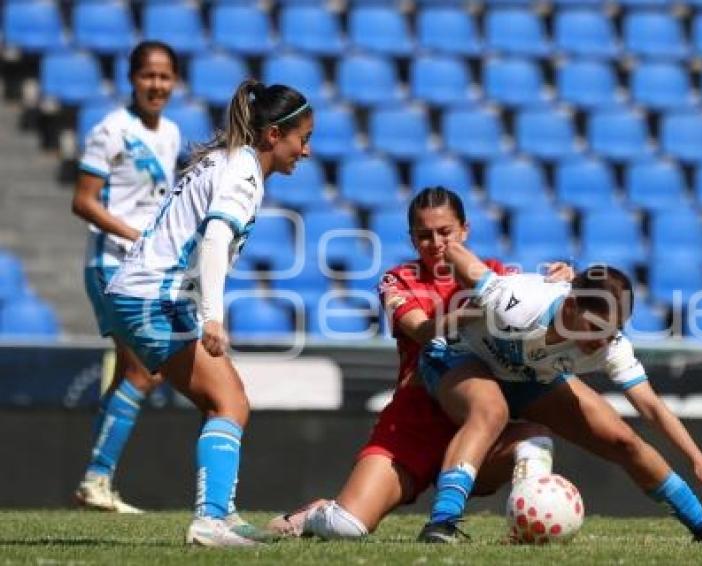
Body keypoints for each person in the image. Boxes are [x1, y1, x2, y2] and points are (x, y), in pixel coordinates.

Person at [266, 187, 571, 540]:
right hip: (415, 422)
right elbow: (424, 332)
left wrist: (560, 286)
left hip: (476, 419)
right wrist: (475, 311)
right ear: (412, 239)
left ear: (465, 231)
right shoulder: (397, 281)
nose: (436, 243)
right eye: (424, 235)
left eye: (446, 232)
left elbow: (539, 310)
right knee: (348, 527)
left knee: (534, 441)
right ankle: (317, 514)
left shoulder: (496, 275)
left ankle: (523, 527)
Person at [416, 241, 702, 545]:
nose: (601, 341)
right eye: (595, 328)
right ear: (572, 304)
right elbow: (463, 259)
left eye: (612, 331)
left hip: (527, 377)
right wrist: (447, 246)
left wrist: (699, 459)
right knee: (490, 410)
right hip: (458, 358)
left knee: (623, 439)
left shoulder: (609, 346)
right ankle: (442, 523)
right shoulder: (516, 303)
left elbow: (651, 407)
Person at [103, 79, 313, 546]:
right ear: (274, 135)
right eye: (303, 138)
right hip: (153, 297)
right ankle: (210, 521)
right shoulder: (242, 172)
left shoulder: (225, 161)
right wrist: (213, 317)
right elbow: (216, 239)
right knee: (230, 402)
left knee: (223, 398)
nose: (307, 151)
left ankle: (225, 514)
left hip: (138, 293)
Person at [72, 41, 180, 513]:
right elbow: (84, 200)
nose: (156, 85)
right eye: (148, 76)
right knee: (143, 371)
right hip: (111, 264)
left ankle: (97, 479)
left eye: (165, 76)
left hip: (144, 268)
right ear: (131, 79)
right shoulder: (111, 131)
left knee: (138, 374)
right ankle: (95, 479)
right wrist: (136, 236)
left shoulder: (172, 133)